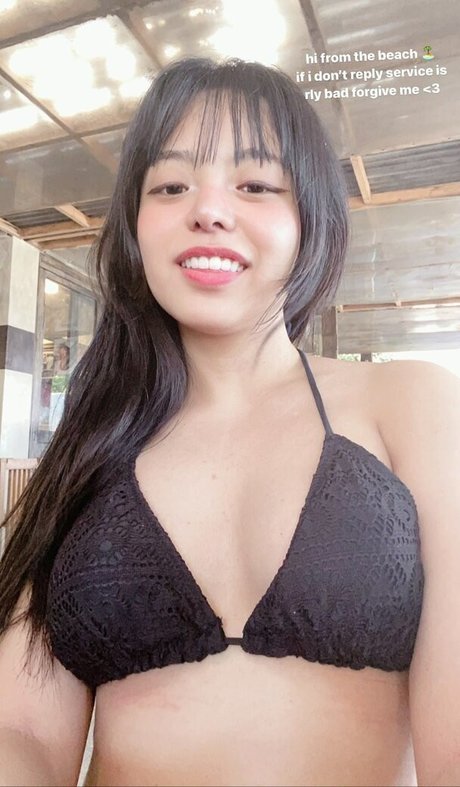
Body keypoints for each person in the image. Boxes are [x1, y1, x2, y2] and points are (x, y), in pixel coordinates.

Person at [0, 56, 459, 787]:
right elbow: (21, 729)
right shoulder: (88, 454)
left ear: (309, 217)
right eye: (171, 186)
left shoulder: (411, 405)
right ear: (135, 227)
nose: (208, 210)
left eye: (256, 185)